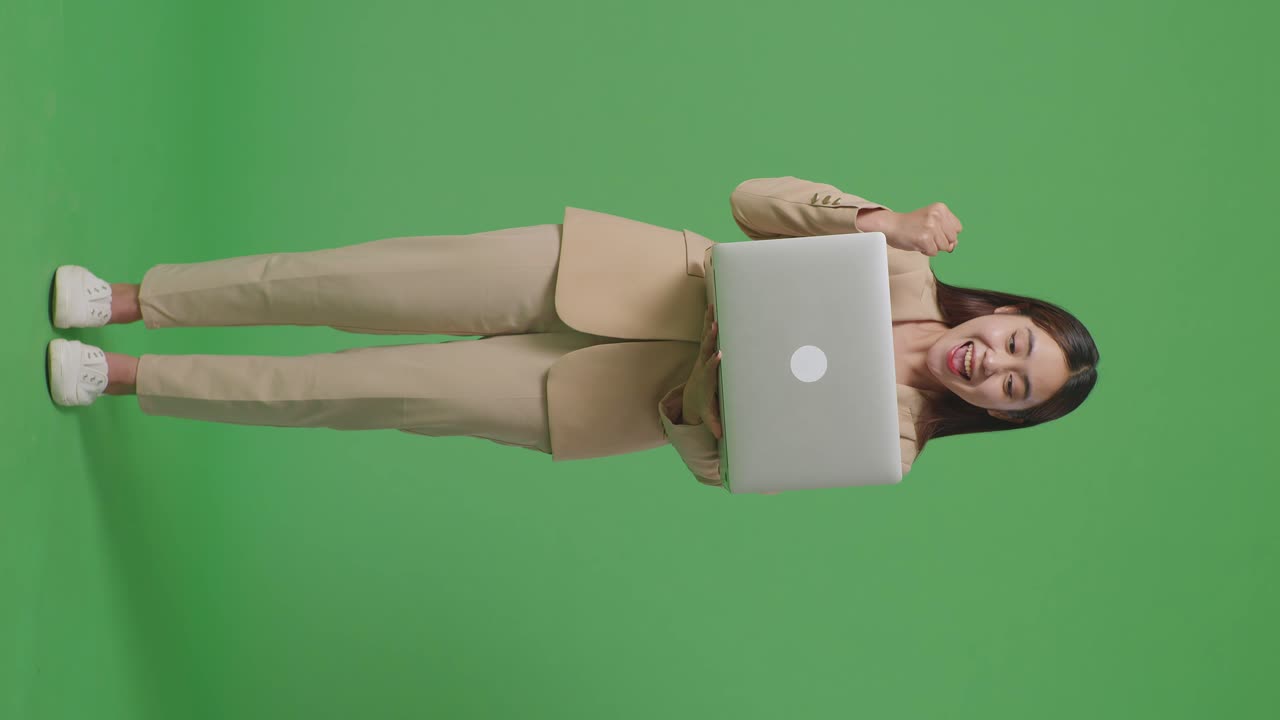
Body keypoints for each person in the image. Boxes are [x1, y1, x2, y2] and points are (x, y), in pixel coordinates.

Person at [45, 176, 1099, 489]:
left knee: (349, 388)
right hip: (606, 272)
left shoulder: (895, 441)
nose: (996, 367)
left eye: (1015, 388)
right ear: (1000, 314)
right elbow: (754, 198)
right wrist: (874, 220)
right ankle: (136, 298)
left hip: (594, 404)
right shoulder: (902, 258)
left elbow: (714, 465)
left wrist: (708, 406)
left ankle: (126, 374)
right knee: (348, 281)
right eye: (1016, 347)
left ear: (994, 414)